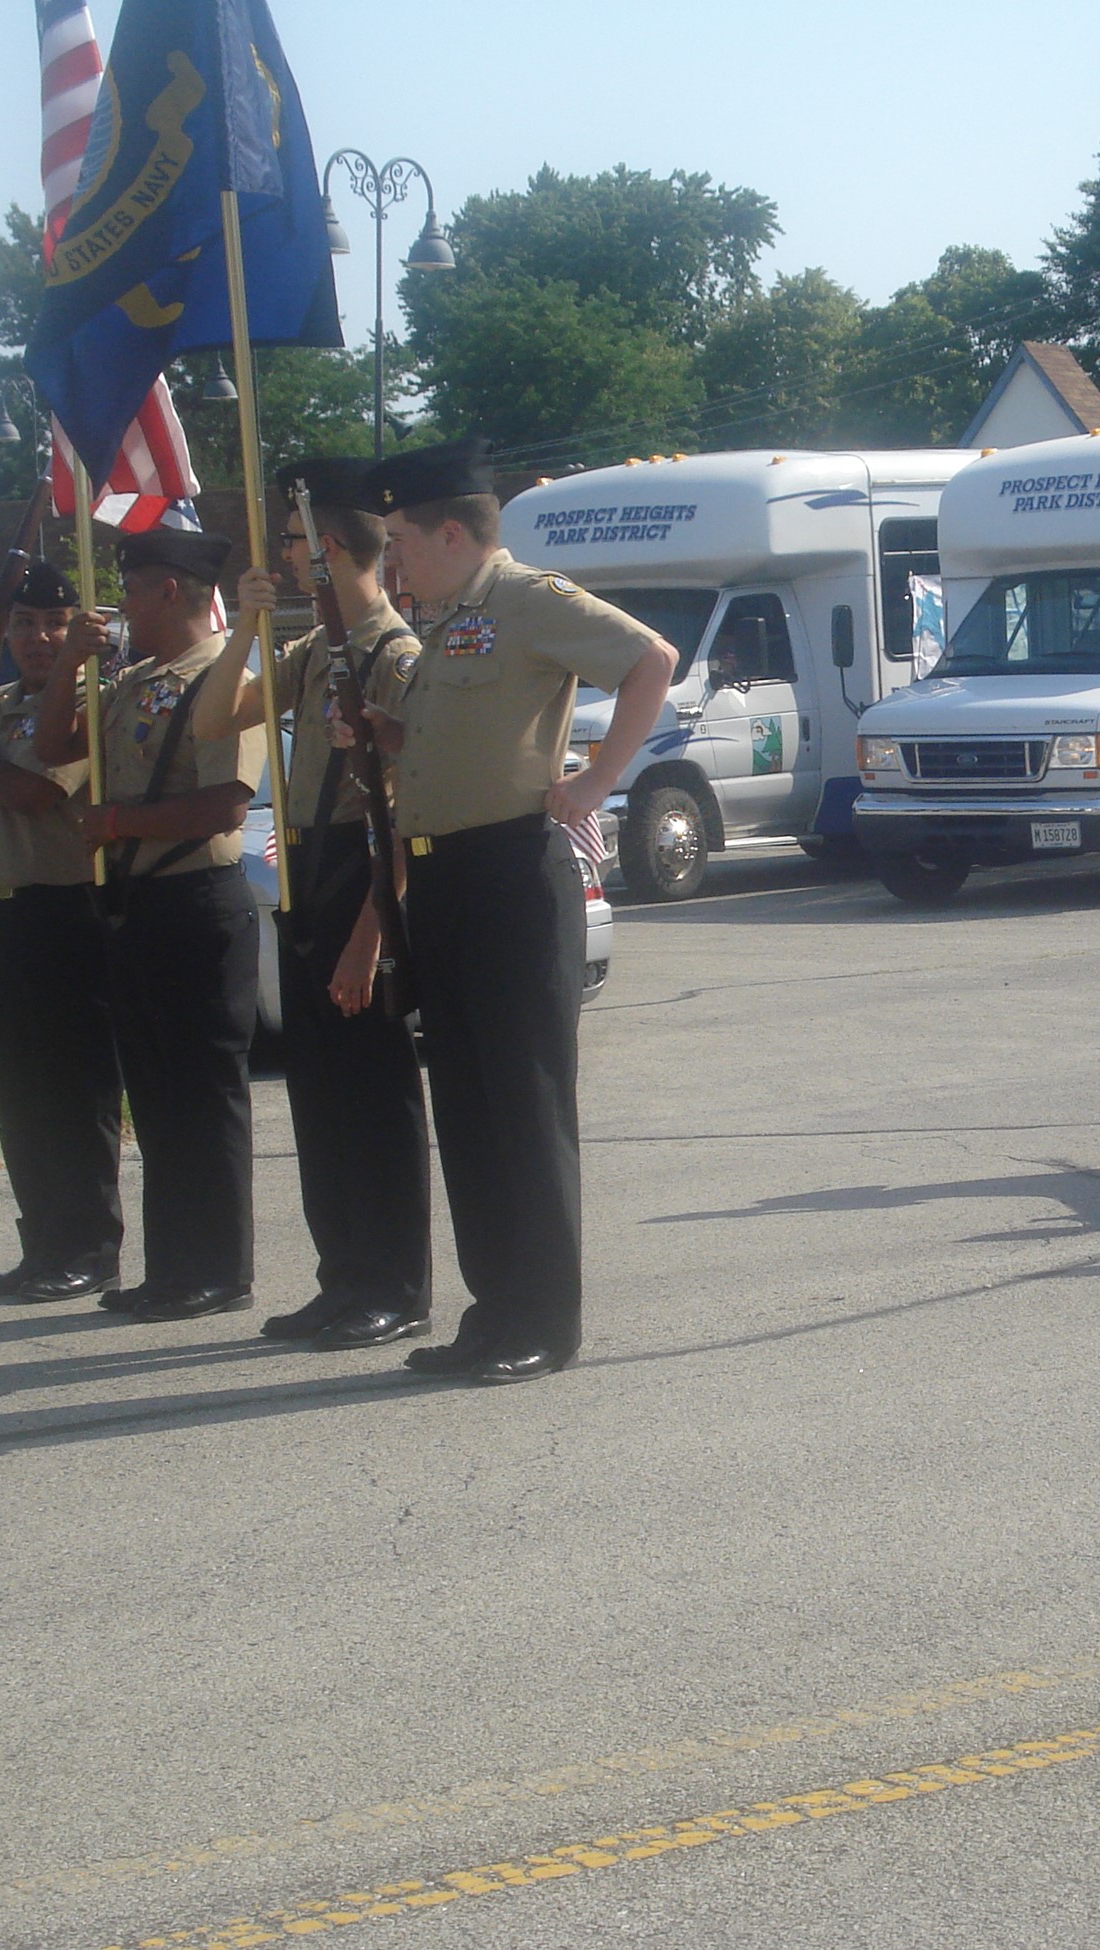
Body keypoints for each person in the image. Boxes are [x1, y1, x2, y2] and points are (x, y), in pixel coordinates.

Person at [348, 437, 679, 1384]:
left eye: (401, 539)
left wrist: (599, 777)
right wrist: (384, 731)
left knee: (524, 1106)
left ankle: (545, 1319)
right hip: (443, 877)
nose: (395, 561)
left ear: (451, 531)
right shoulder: (450, 621)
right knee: (467, 1104)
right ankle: (494, 1309)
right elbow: (457, 735)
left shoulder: (528, 598)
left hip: (508, 877)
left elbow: (650, 660)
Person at [192, 458, 433, 1351]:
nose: (285, 557)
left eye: (293, 542)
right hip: (303, 870)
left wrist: (371, 937)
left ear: (329, 546)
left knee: (374, 1096)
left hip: (360, 884)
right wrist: (247, 623)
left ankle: (396, 1284)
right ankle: (345, 1278)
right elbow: (219, 719)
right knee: (322, 1100)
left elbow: (407, 815)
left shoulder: (398, 658)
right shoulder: (307, 652)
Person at [34, 526, 269, 1320]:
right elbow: (55, 749)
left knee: (204, 1096)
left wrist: (120, 826)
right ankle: (173, 1267)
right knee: (159, 1097)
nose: (121, 606)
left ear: (170, 590)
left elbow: (223, 805)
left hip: (197, 903)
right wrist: (71, 662)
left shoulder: (224, 675)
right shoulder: (137, 679)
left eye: (131, 589)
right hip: (140, 908)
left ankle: (218, 1269)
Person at [0, 560, 125, 1302]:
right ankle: (43, 1242)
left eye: (52, 624)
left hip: (66, 912)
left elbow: (34, 790)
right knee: (23, 1091)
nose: (39, 637)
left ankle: (89, 1246)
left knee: (76, 1091)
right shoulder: (3, 703)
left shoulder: (84, 705)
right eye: (24, 624)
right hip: (9, 909)